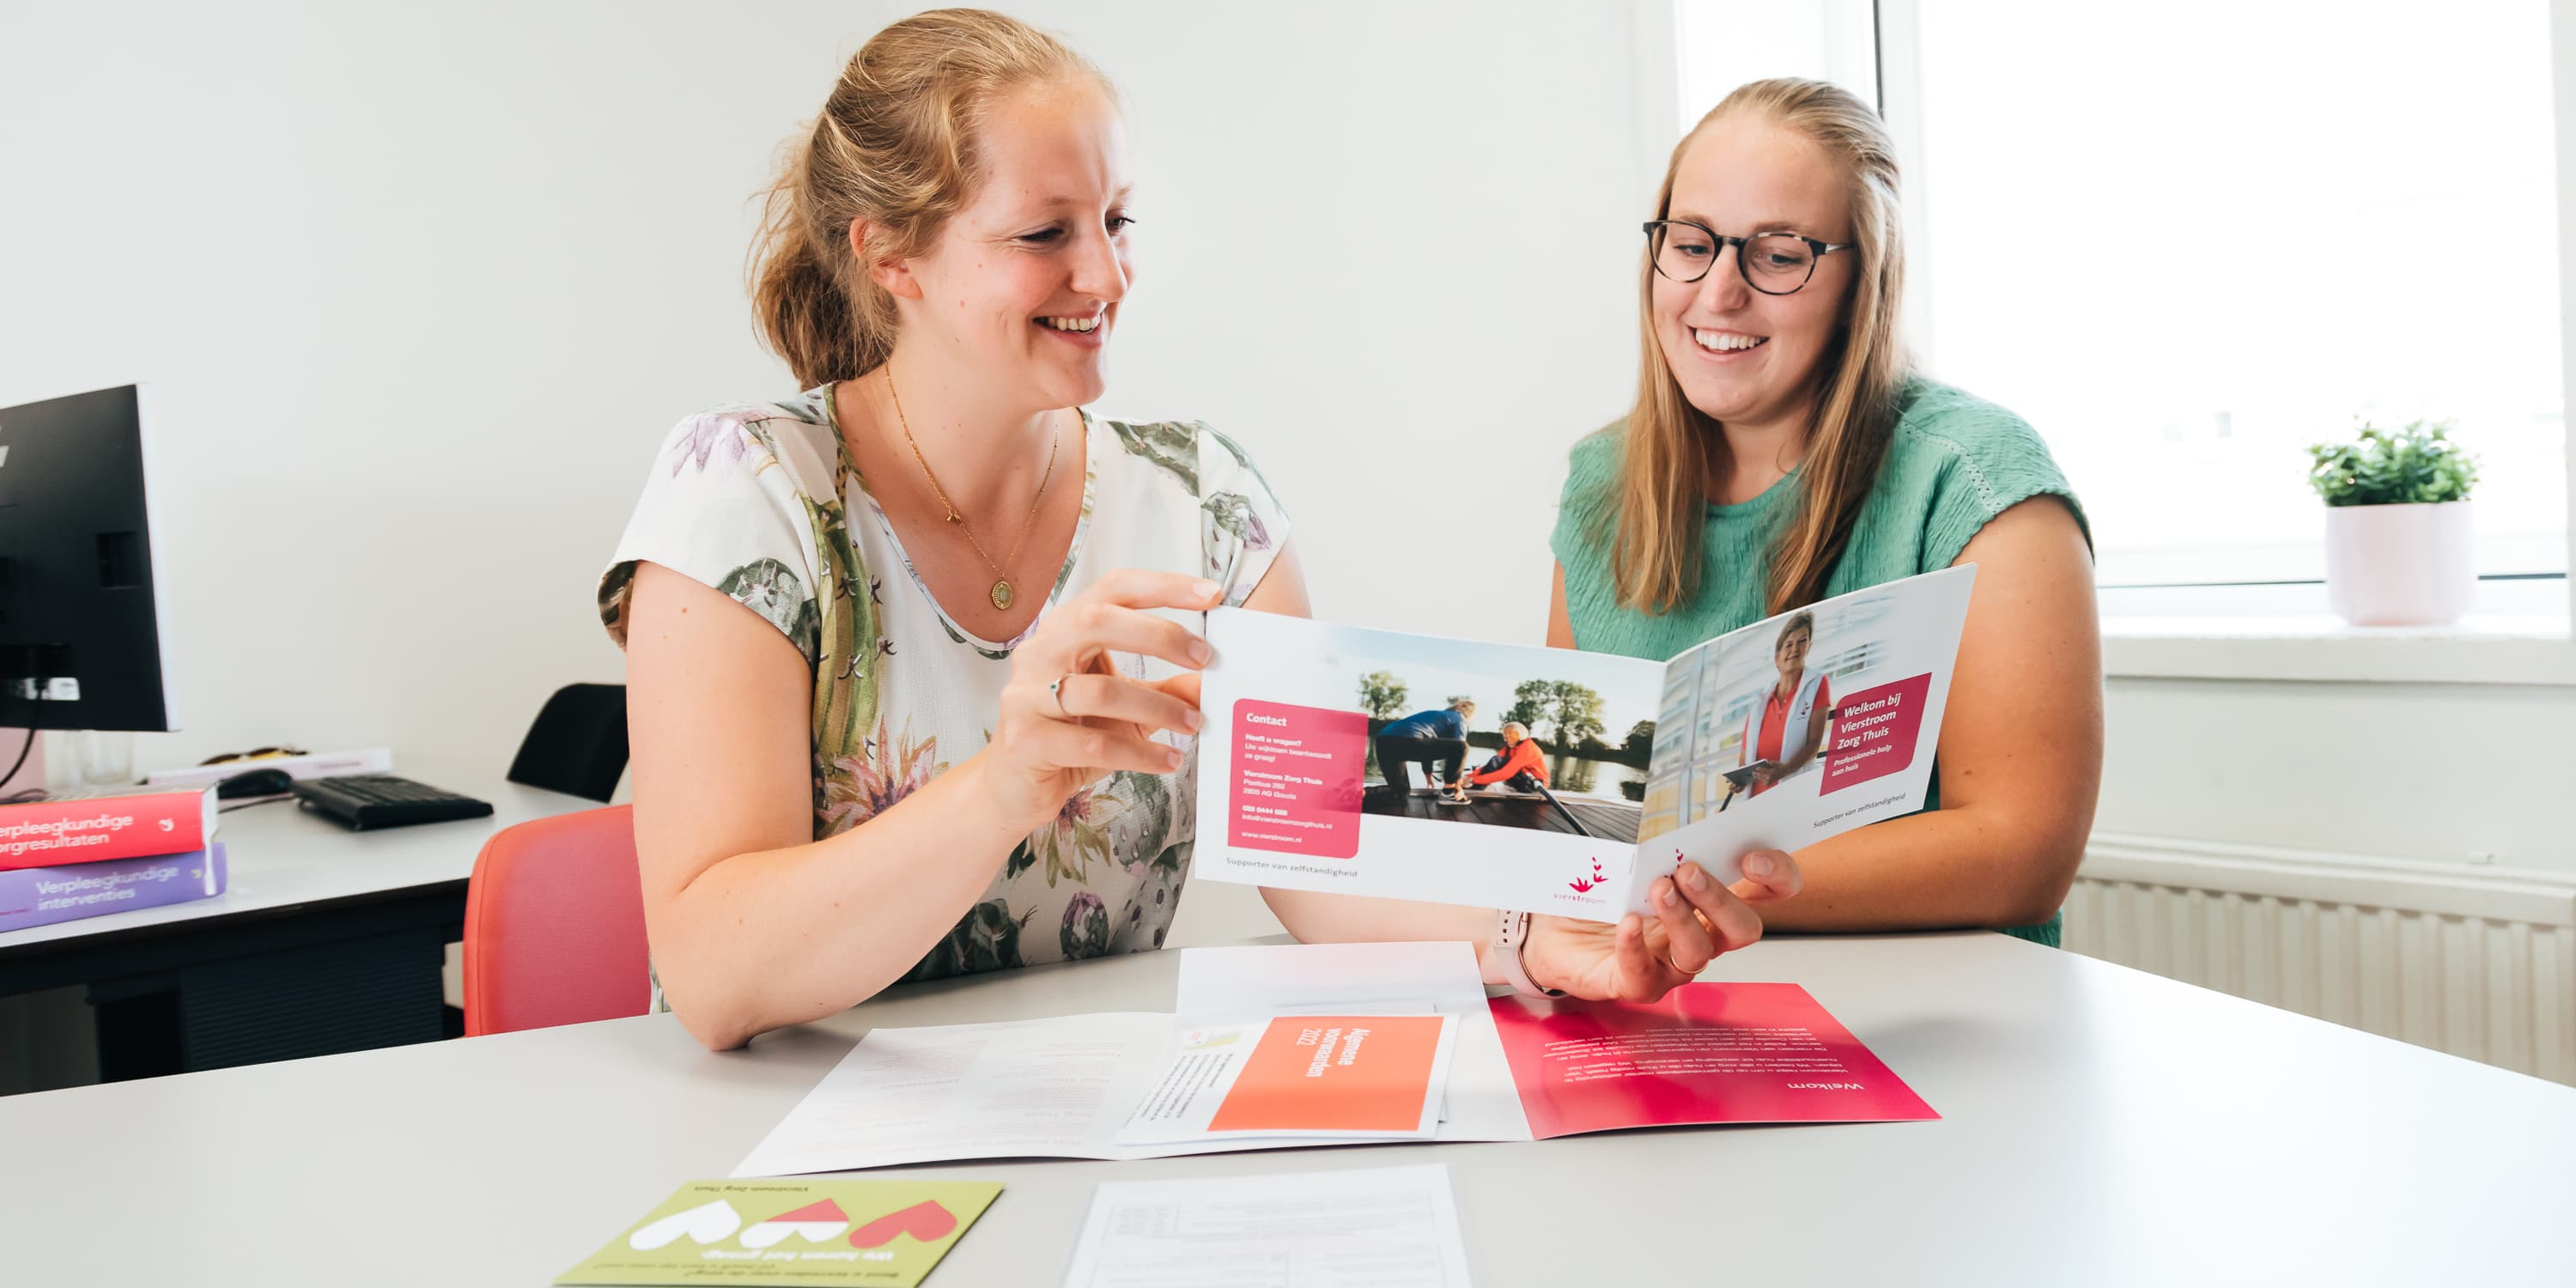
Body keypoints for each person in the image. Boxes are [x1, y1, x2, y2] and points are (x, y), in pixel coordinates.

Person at [605, 9, 1800, 1052]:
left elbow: (1315, 855)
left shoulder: (1204, 502)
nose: (1107, 274)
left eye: (1118, 221)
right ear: (890, 255)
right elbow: (714, 976)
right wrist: (1005, 786)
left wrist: (1536, 943)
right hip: (783, 1156)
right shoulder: (746, 496)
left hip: (1093, 1118)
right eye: (1046, 233)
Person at [1546, 77, 2102, 946]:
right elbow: (1581, 814)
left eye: (1777, 254)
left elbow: (2022, 853)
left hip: (1924, 1026)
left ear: (1862, 280)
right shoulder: (1599, 482)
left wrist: (1693, 895)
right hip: (1655, 1005)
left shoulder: (1975, 480)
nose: (1718, 293)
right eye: (1691, 244)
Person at [1733, 611, 1828, 799]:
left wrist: (1785, 770)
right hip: (1757, 798)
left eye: (1802, 641)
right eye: (1789, 644)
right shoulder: (1758, 703)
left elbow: (1814, 743)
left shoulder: (1817, 683)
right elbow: (1745, 755)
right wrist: (1739, 780)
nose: (1795, 649)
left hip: (1793, 795)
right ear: (1777, 658)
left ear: (1809, 646)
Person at [1370, 699, 1474, 799]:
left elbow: (1428, 747)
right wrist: (1456, 784)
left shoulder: (1436, 716)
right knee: (1462, 747)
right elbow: (1458, 748)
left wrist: (1428, 776)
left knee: (1400, 792)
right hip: (1408, 740)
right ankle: (1449, 794)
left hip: (1383, 741)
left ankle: (1362, 793)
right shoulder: (1460, 719)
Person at [1450, 721, 1550, 799]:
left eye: (1510, 734)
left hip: (1534, 785)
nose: (1506, 737)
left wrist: (1473, 780)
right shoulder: (1510, 747)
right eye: (1505, 734)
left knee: (1497, 761)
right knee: (1496, 760)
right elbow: (1490, 766)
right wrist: (1467, 777)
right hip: (1522, 779)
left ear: (1520, 734)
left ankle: (1475, 788)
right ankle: (1475, 788)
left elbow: (1505, 774)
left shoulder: (1528, 748)